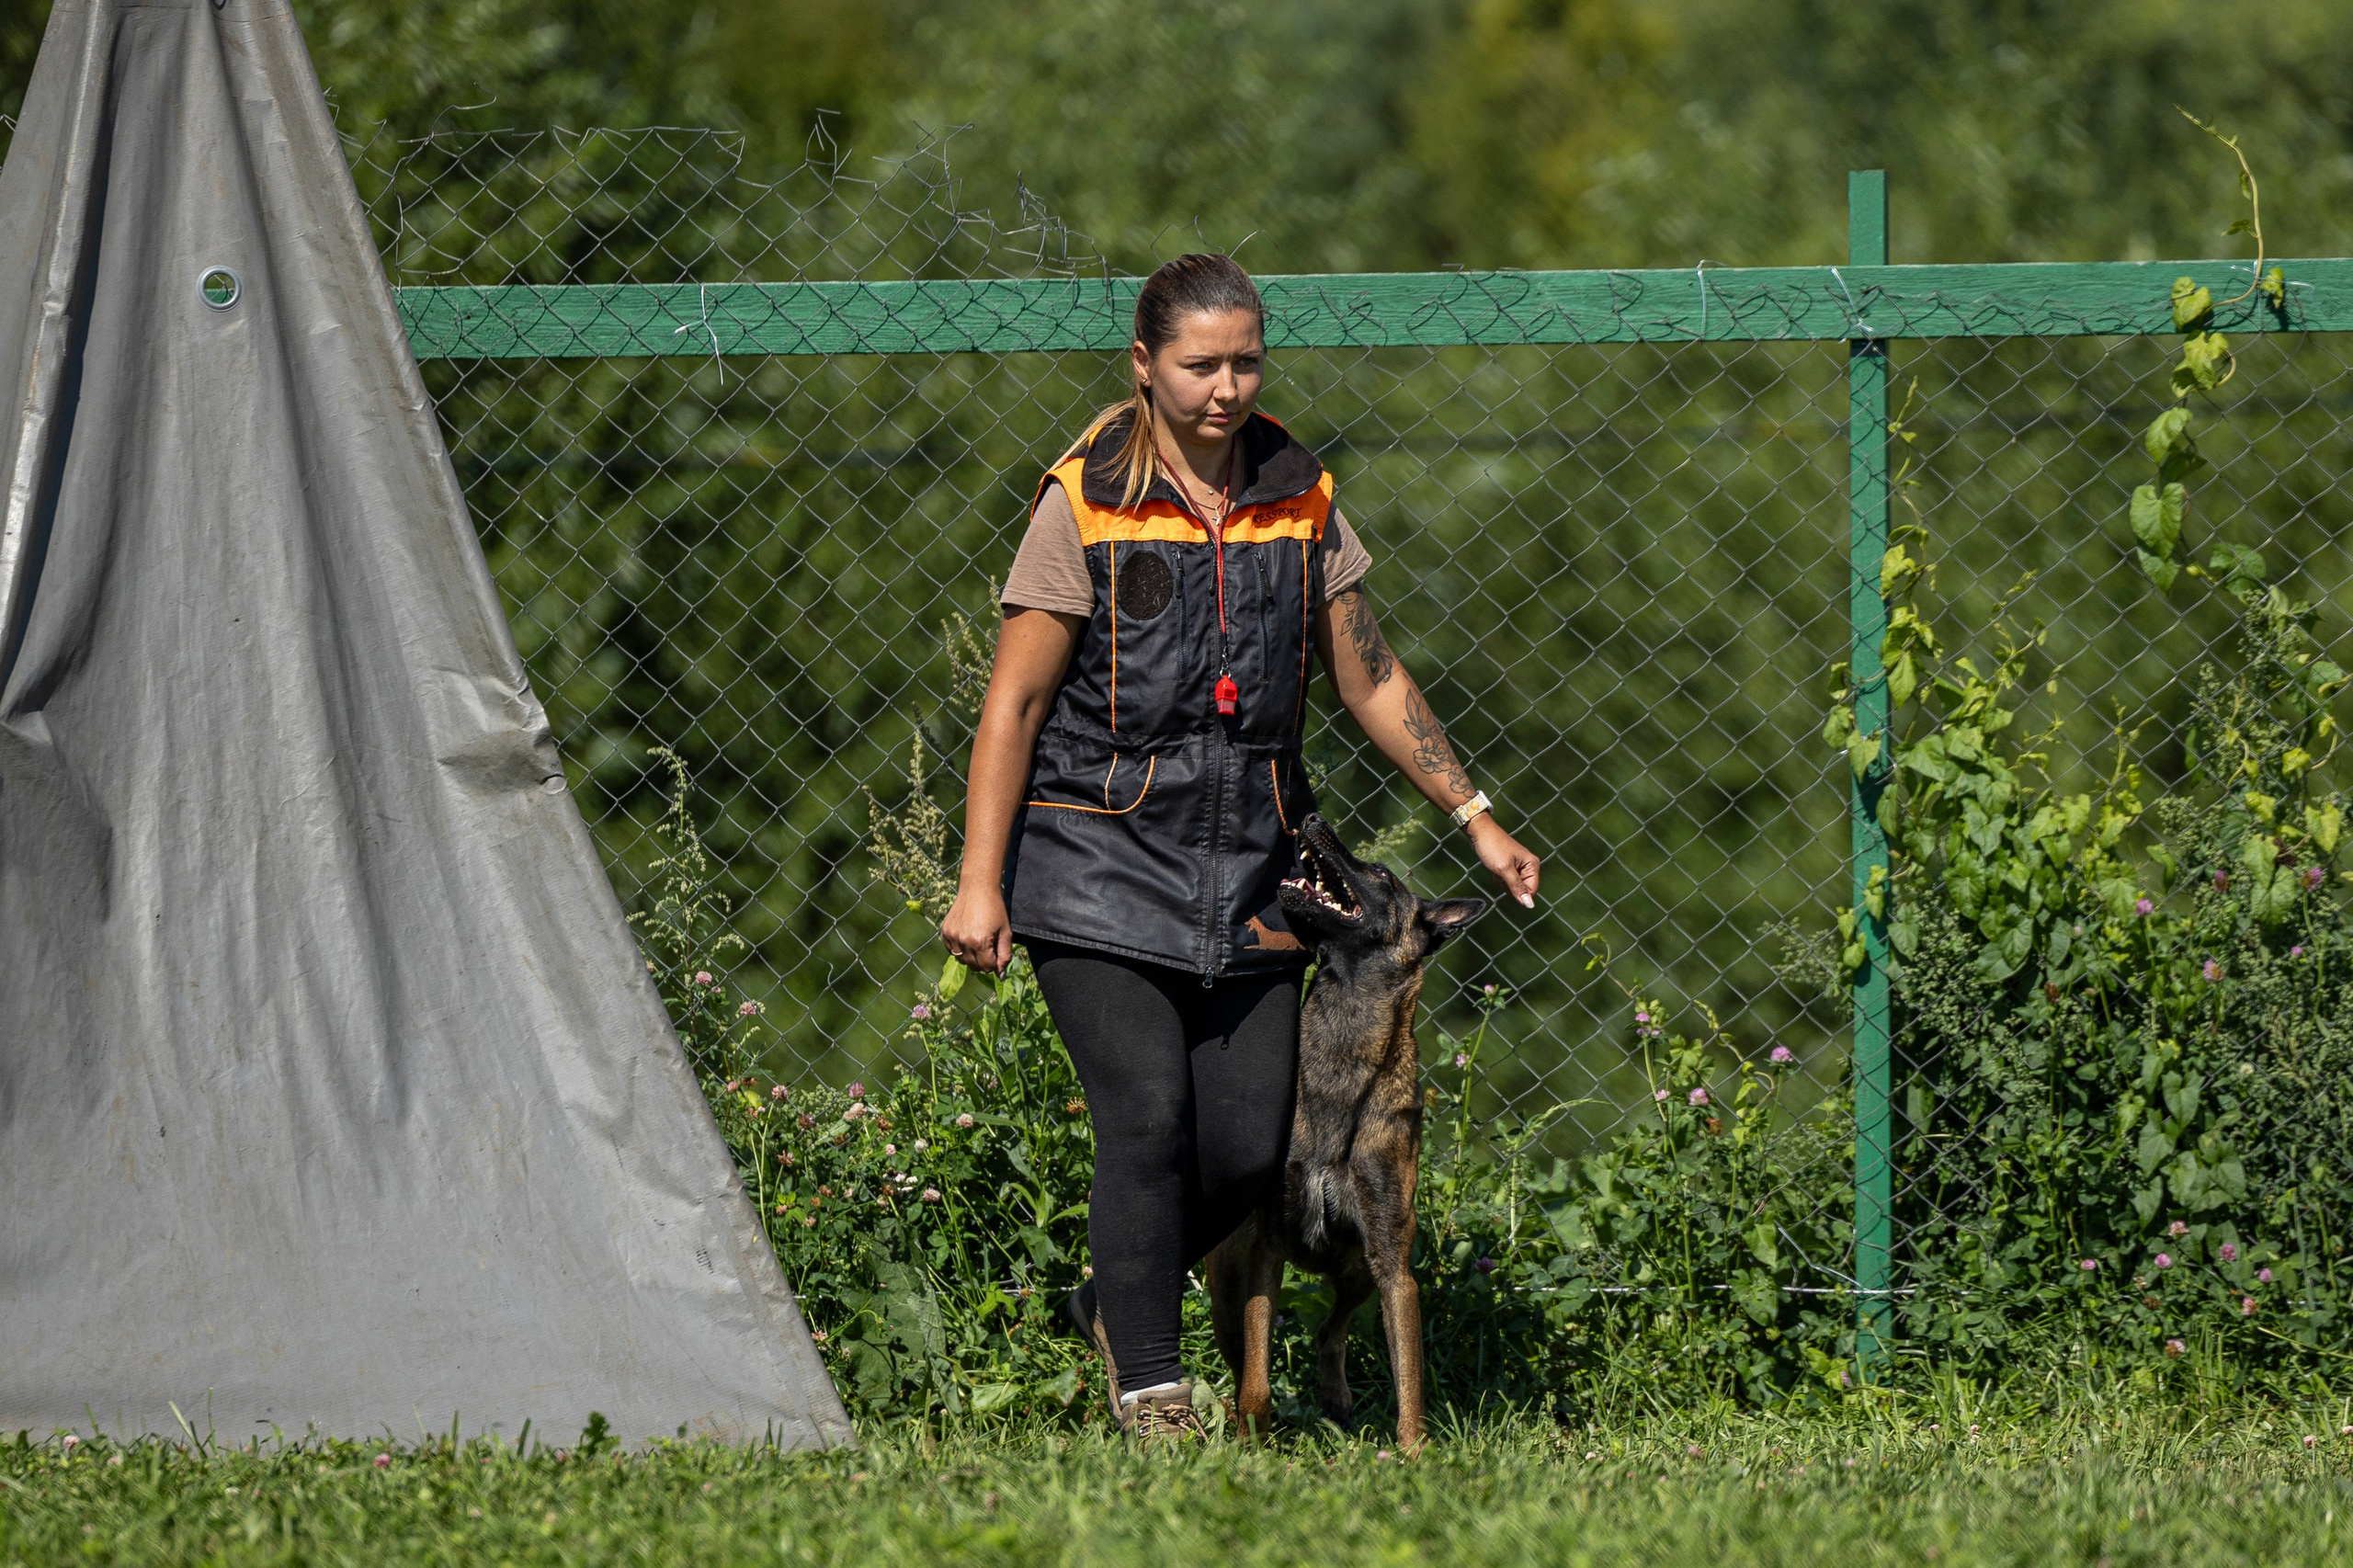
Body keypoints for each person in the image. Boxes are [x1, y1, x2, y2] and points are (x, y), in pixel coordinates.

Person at [939, 253, 1540, 1443]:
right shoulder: (1085, 498)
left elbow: (1366, 671)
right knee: (1149, 1117)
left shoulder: (1297, 491)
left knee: (1250, 1141)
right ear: (1145, 364)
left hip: (1259, 879)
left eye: (1245, 361)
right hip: (1094, 861)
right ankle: (1153, 1386)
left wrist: (1474, 813)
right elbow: (1010, 704)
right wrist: (977, 879)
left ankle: (1113, 1296)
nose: (1226, 387)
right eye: (1200, 364)